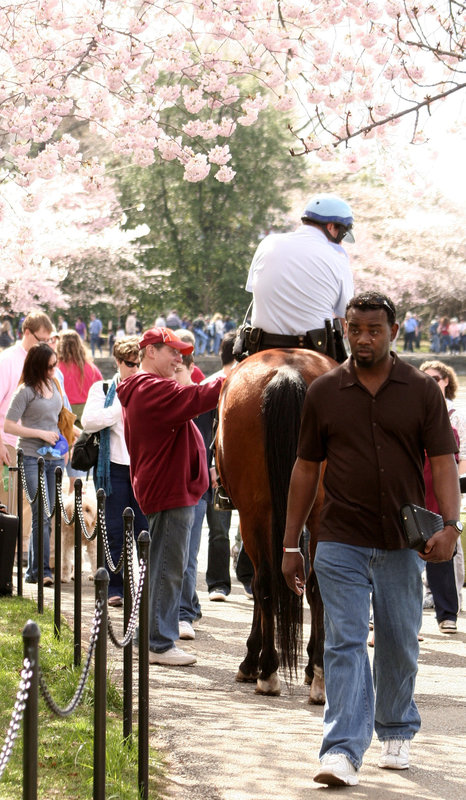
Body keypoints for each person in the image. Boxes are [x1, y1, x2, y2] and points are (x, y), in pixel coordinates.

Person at [281, 291, 460, 787]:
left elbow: (443, 462)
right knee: (344, 641)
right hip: (340, 536)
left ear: (394, 332)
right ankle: (341, 749)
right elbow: (304, 468)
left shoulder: (422, 390)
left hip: (405, 542)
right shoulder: (324, 392)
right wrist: (291, 543)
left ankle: (397, 727)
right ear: (344, 328)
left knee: (400, 643)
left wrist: (451, 526)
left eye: (374, 330)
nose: (363, 338)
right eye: (354, 329)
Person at [117, 327, 224, 666]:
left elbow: (190, 398)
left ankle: (153, 637)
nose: (180, 358)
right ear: (150, 351)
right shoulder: (150, 387)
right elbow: (196, 399)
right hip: (169, 488)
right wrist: (234, 373)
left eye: (181, 352)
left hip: (168, 486)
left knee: (164, 563)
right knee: (168, 565)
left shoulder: (144, 386)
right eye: (172, 351)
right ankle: (160, 643)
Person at [242, 194, 355, 361]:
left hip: (260, 347)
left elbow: (254, 290)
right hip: (314, 348)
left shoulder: (268, 243)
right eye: (343, 234)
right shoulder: (338, 257)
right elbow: (345, 314)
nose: (342, 241)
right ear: (331, 227)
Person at [81, 336, 147, 607]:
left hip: (144, 468)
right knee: (114, 530)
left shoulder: (147, 386)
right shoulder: (103, 388)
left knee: (145, 530)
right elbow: (88, 421)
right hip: (113, 470)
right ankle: (115, 588)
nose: (134, 368)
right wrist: (121, 407)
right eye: (130, 364)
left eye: (138, 363)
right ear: (118, 362)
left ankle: (146, 586)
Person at [4, 343, 67, 585]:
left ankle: (36, 570)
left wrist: (62, 440)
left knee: (49, 514)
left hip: (54, 456)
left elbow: (57, 418)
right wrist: (39, 433)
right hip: (31, 457)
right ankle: (41, 571)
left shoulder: (54, 384)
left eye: (55, 365)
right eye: (50, 366)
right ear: (39, 365)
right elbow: (9, 425)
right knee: (41, 511)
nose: (54, 369)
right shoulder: (26, 391)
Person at [420, 360, 465, 631]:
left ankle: (447, 613)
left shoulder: (454, 418)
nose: (431, 383)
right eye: (426, 379)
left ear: (446, 380)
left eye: (435, 378)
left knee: (444, 556)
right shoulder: (411, 410)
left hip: (439, 498)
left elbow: (457, 461)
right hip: (413, 496)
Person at [0, 311, 53, 523]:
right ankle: (7, 556)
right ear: (27, 333)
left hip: (37, 445)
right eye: (42, 340)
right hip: (9, 443)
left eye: (49, 340)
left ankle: (22, 554)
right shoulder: (8, 361)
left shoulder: (43, 362)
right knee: (8, 507)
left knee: (32, 510)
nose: (46, 345)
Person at [57, 330, 102, 490]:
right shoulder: (90, 368)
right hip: (84, 418)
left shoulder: (56, 368)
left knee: (56, 472)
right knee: (78, 477)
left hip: (63, 417)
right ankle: (76, 509)